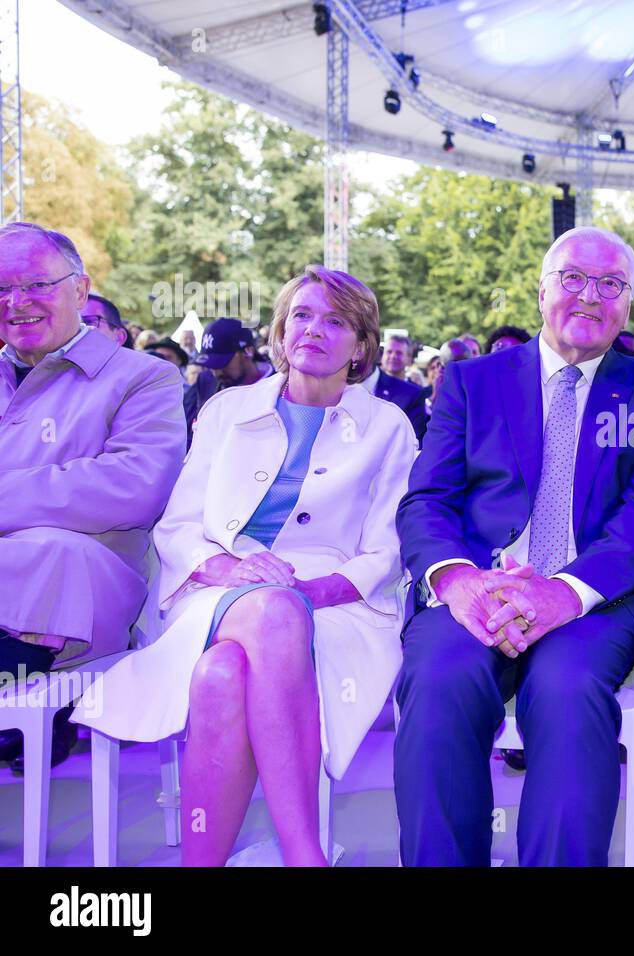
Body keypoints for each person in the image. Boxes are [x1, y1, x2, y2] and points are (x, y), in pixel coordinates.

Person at [74, 265, 417, 866]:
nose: (313, 330)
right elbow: (178, 525)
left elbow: (388, 549)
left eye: (335, 321)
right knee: (271, 614)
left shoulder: (388, 426)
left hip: (338, 605)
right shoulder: (227, 409)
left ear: (362, 345)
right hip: (216, 589)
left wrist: (316, 589)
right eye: (301, 317)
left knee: (221, 677)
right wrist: (222, 569)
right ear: (281, 334)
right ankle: (304, 854)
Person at [394, 226, 634, 866]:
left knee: (567, 687)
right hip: (481, 590)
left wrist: (562, 594)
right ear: (542, 290)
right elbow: (427, 501)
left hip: (600, 600)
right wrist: (459, 581)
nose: (590, 296)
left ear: (628, 303)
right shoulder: (472, 383)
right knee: (440, 678)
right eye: (574, 278)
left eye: (611, 284)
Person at [0, 222, 185, 771]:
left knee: (56, 551)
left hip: (77, 596)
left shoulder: (143, 378)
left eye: (35, 284)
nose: (17, 303)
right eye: (2, 290)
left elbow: (132, 487)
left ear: (80, 291)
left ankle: (33, 714)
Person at [371, 333, 428, 442]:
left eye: (399, 353)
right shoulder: (368, 384)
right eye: (389, 352)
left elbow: (416, 436)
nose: (393, 356)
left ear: (409, 359)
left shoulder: (415, 394)